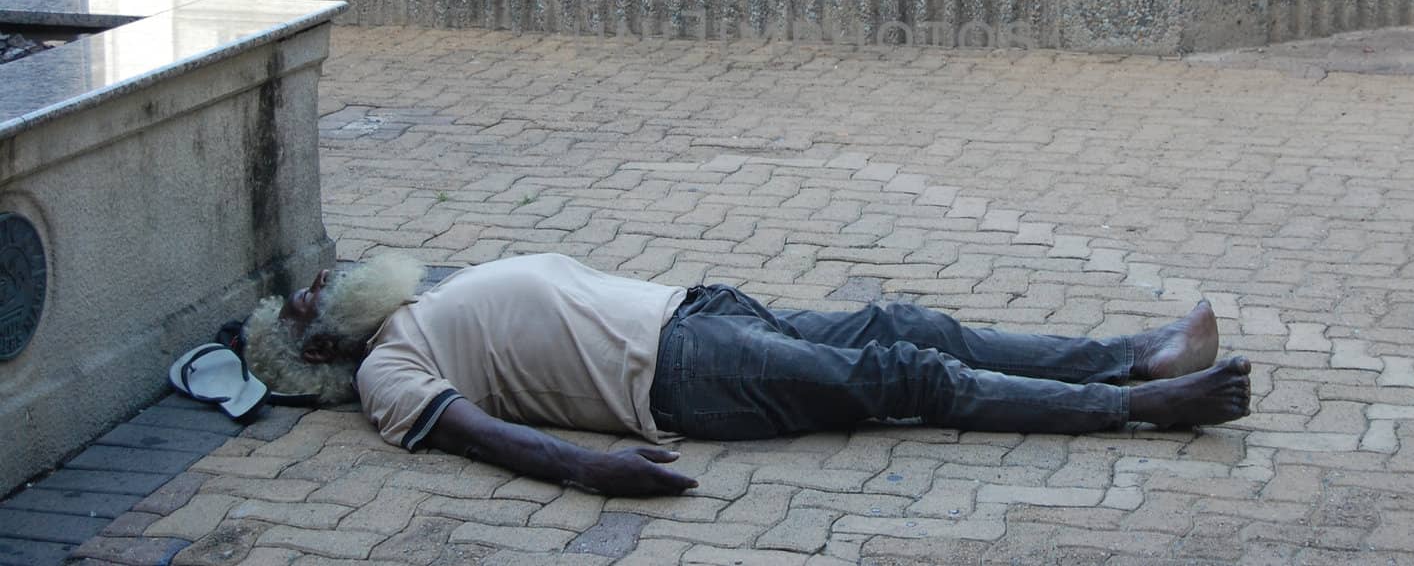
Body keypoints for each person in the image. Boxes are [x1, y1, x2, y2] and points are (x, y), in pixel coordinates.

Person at [244, 253, 1251, 497]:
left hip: (696, 313)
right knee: (909, 375)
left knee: (909, 322)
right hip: (679, 376)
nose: (317, 281)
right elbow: (477, 433)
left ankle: (1131, 352)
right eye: (303, 302)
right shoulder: (388, 369)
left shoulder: (410, 298)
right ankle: (1138, 405)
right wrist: (600, 472)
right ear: (320, 349)